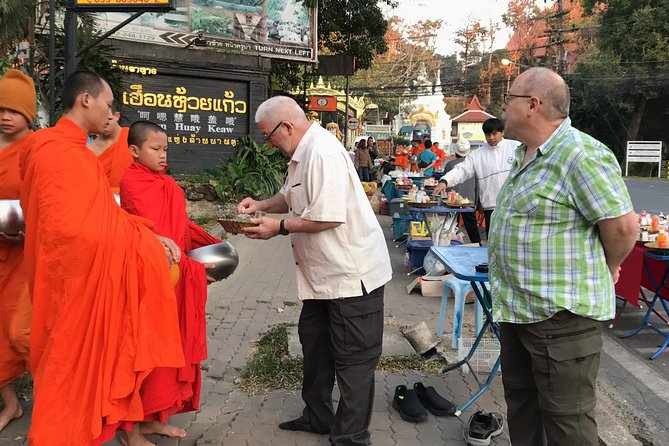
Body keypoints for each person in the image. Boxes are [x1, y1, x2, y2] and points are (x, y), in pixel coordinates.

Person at [19, 70, 185, 445]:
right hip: (70, 284)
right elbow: (75, 233)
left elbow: (101, 217)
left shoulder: (63, 150)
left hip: (70, 277)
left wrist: (144, 233)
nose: (112, 113)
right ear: (86, 100)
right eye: (109, 104)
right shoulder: (59, 154)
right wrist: (142, 242)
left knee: (72, 368)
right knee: (67, 369)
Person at [489, 67, 638, 445]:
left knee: (567, 423)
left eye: (510, 98)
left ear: (533, 105)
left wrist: (611, 265)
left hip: (561, 319)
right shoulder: (525, 154)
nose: (504, 106)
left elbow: (622, 227)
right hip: (519, 312)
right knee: (523, 409)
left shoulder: (580, 155)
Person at [237, 96, 392, 446]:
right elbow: (289, 196)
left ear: (286, 126)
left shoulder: (322, 152)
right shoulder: (300, 155)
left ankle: (351, 438)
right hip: (322, 279)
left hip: (353, 278)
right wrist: (261, 205)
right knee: (316, 349)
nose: (268, 143)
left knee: (354, 363)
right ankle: (318, 416)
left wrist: (278, 227)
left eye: (268, 135)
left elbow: (328, 216)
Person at [119, 120, 221, 445]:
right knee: (142, 354)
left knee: (167, 356)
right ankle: (129, 429)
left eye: (165, 149)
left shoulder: (167, 183)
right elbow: (131, 228)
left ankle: (153, 419)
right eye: (155, 149)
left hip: (173, 284)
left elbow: (179, 227)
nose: (163, 155)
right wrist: (157, 238)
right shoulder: (132, 183)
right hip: (146, 287)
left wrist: (212, 245)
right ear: (135, 151)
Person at [0, 69, 35, 434]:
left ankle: (57, 392)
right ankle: (11, 404)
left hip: (27, 256)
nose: (4, 116)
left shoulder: (37, 150)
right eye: (0, 109)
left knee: (22, 330)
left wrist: (27, 232)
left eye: (12, 109)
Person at [432, 118, 520, 236]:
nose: (491, 138)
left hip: (515, 206)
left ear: (502, 132)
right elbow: (461, 170)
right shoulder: (477, 155)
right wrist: (445, 181)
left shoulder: (516, 148)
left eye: (495, 133)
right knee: (493, 244)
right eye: (488, 134)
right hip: (492, 208)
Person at [442, 139, 480, 244]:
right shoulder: (475, 165)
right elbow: (477, 185)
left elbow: (445, 183)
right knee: (471, 225)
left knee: (452, 223)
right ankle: (477, 244)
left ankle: (450, 242)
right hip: (469, 200)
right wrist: (476, 202)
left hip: (452, 201)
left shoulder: (450, 164)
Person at [87, 107, 133, 192]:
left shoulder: (133, 138)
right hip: (102, 199)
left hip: (133, 196)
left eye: (108, 118)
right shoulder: (89, 149)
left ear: (117, 116)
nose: (104, 122)